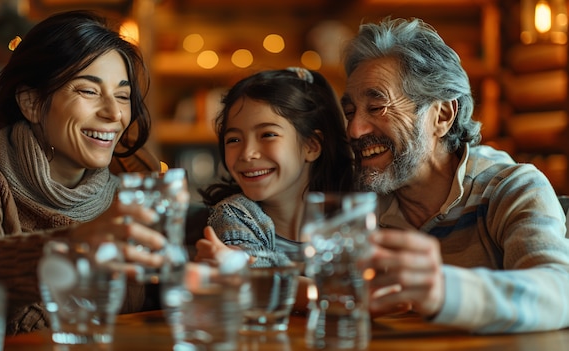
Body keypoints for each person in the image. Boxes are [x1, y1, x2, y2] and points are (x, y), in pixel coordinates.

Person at [0, 11, 166, 335]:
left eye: (122, 95)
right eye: (89, 91)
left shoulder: (134, 191)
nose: (114, 113)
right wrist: (76, 246)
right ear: (31, 102)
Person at [341, 17, 569, 333]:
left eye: (376, 107)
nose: (355, 129)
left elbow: (560, 292)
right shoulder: (359, 200)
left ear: (442, 115)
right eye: (350, 112)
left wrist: (441, 290)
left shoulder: (511, 188)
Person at [194, 68, 354, 309]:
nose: (248, 153)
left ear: (311, 145)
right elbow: (254, 282)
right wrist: (338, 292)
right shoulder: (235, 214)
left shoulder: (350, 214)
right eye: (234, 139)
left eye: (267, 134)